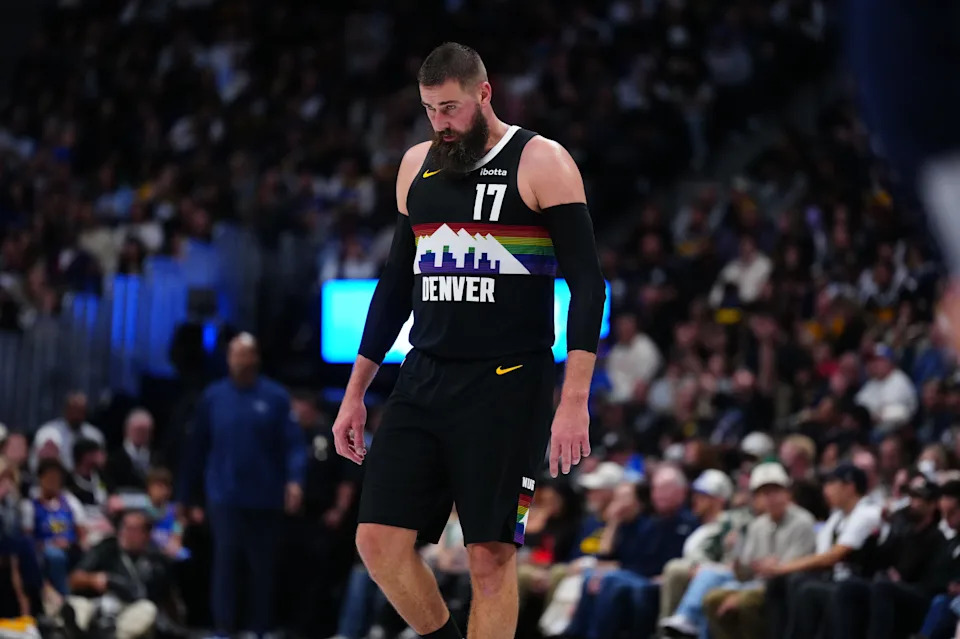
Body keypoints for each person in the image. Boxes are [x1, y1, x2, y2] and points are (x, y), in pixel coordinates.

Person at [331, 42, 606, 639]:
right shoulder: (416, 165)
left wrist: (574, 399)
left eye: (450, 109)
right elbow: (393, 287)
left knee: (489, 556)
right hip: (425, 374)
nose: (440, 124)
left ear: (485, 93)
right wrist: (355, 394)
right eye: (430, 110)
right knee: (376, 541)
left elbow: (589, 286)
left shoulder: (542, 161)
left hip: (509, 382)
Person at [179, 333, 307, 639]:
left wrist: (295, 481)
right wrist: (185, 495)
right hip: (224, 494)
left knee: (261, 567)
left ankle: (258, 629)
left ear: (255, 358)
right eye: (233, 354)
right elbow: (196, 447)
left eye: (244, 354)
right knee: (225, 563)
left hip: (265, 496)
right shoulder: (214, 396)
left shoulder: (275, 397)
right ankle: (224, 629)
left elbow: (294, 445)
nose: (238, 360)